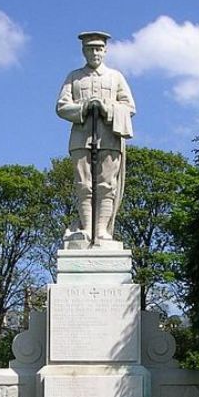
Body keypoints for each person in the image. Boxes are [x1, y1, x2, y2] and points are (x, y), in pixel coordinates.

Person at [56, 31, 135, 243]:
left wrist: (106, 108)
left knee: (106, 185)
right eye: (90, 48)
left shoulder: (115, 77)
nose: (95, 53)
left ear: (105, 51)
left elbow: (129, 107)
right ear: (84, 51)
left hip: (109, 137)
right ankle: (86, 229)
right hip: (81, 138)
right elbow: (62, 106)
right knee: (84, 184)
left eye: (99, 48)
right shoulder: (74, 76)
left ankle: (101, 231)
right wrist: (83, 108)